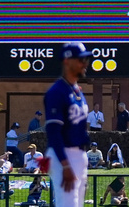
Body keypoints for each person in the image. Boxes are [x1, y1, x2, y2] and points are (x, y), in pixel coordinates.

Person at [45, 42, 92, 207]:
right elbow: (53, 132)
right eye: (80, 60)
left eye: (85, 59)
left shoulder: (77, 91)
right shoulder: (57, 92)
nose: (84, 63)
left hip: (78, 155)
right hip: (63, 156)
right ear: (67, 61)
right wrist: (65, 164)